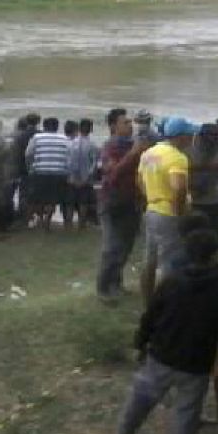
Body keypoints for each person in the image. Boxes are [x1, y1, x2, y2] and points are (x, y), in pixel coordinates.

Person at [115, 229, 218, 434]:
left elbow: (151, 314)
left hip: (162, 354)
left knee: (143, 395)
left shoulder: (172, 281)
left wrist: (141, 342)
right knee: (187, 414)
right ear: (214, 256)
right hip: (196, 363)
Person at [138, 117, 196, 300]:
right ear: (181, 136)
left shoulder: (150, 152)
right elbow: (178, 188)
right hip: (168, 214)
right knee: (169, 262)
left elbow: (139, 181)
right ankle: (166, 304)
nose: (192, 137)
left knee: (150, 260)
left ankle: (148, 301)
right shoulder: (177, 158)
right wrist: (180, 213)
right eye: (190, 134)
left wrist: (152, 196)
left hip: (151, 209)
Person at [97, 108, 147, 301]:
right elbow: (113, 175)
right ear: (113, 127)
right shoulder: (109, 147)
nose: (130, 125)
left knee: (126, 246)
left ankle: (116, 283)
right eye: (125, 122)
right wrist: (133, 154)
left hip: (132, 202)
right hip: (112, 203)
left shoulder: (135, 145)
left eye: (129, 122)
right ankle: (103, 288)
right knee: (112, 247)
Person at [25, 117, 71, 231]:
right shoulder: (65, 139)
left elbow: (28, 154)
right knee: (52, 199)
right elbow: (69, 157)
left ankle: (34, 220)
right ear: (57, 127)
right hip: (59, 172)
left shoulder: (37, 137)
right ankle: (47, 222)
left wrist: (30, 168)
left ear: (44, 127)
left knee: (36, 198)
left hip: (40, 171)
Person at [67, 118, 99, 229]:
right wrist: (86, 178)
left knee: (70, 203)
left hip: (72, 179)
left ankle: (69, 224)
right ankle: (81, 225)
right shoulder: (93, 145)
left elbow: (68, 162)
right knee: (83, 202)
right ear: (90, 129)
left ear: (79, 128)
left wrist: (71, 177)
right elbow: (94, 164)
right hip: (86, 179)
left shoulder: (70, 143)